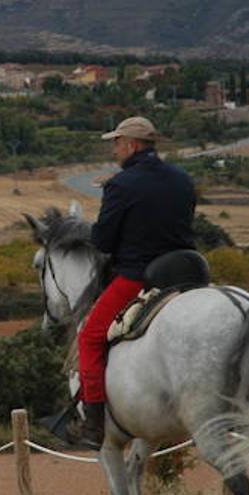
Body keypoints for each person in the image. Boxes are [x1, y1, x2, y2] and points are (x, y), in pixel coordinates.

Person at [76, 116, 195, 447]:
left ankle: (94, 421)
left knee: (90, 338)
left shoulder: (121, 184)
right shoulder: (182, 179)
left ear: (131, 145)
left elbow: (102, 241)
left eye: (116, 143)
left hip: (140, 277)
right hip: (189, 273)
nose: (114, 150)